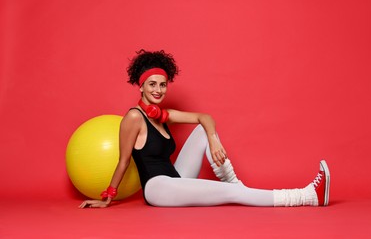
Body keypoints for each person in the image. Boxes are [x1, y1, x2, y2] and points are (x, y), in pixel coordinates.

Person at [79, 50, 330, 208]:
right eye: (152, 84)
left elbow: (204, 117)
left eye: (163, 85)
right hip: (158, 189)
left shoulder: (163, 116)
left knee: (202, 130)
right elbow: (123, 161)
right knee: (232, 194)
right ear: (141, 87)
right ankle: (306, 196)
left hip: (176, 178)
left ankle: (235, 183)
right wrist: (107, 197)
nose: (158, 90)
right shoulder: (134, 118)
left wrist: (212, 139)